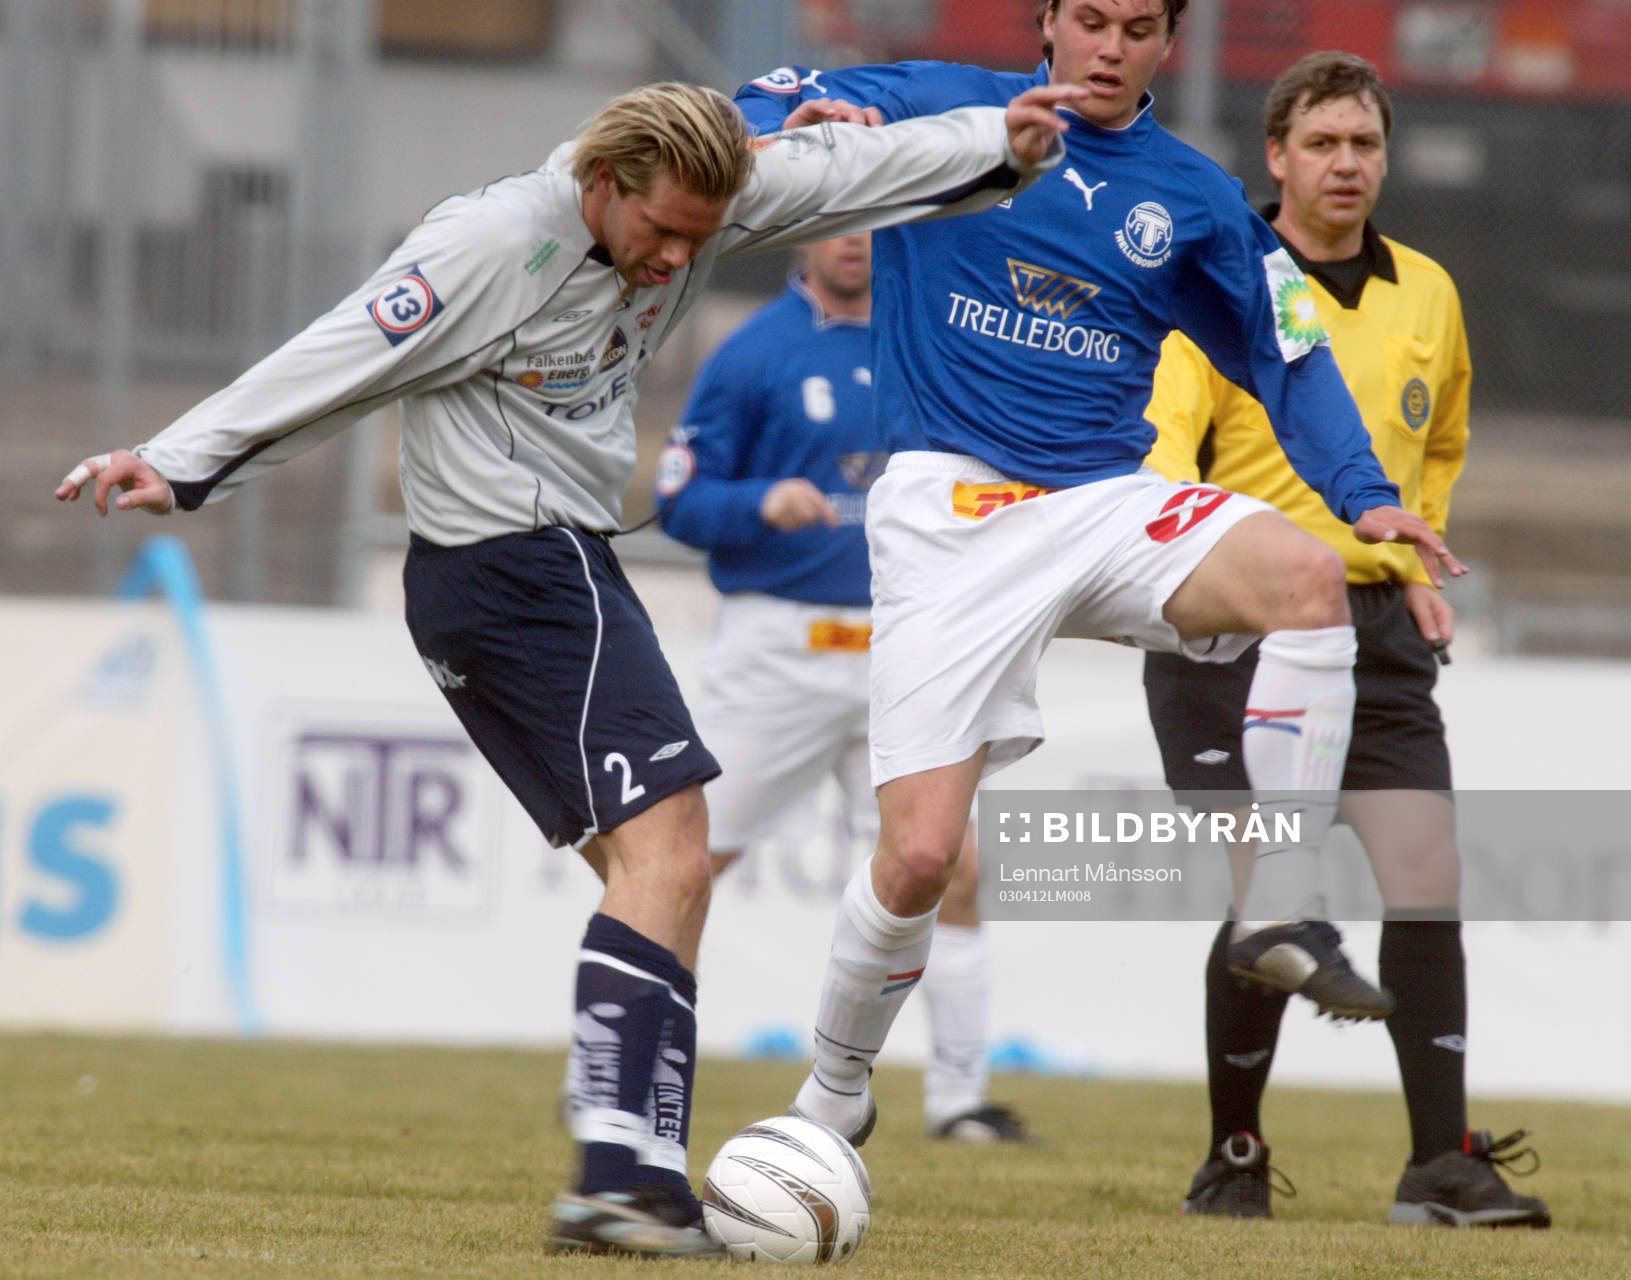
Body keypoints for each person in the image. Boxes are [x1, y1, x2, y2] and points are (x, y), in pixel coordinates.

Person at [53, 78, 1087, 1257]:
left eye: (699, 238)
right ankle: (611, 1172)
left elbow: (844, 179)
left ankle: (645, 1164)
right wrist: (179, 462)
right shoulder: (493, 240)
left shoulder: (697, 201)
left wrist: (1001, 145)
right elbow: (339, 351)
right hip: (518, 569)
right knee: (673, 851)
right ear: (601, 184)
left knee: (666, 870)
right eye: (659, 232)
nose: (675, 261)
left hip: (525, 576)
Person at [734, 0, 1465, 1153]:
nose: (1108, 45)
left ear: (1166, 43)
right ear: (1046, 23)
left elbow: (1286, 346)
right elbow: (764, 98)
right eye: (1087, 18)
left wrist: (1362, 490)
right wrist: (777, 124)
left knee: (1305, 576)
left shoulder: (1190, 194)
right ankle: (832, 1085)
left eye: (1135, 25)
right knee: (919, 854)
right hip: (952, 509)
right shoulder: (946, 103)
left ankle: (1274, 899)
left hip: (1100, 501)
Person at [1140, 51, 1549, 1229]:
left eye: (1361, 144)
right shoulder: (1220, 286)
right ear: (1274, 157)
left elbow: (1439, 444)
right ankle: (1232, 1155)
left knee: (1425, 880)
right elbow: (1164, 458)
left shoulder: (1426, 289)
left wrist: (1419, 563)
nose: (1343, 165)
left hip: (1375, 631)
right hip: (1237, 628)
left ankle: (1440, 1166)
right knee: (1273, 901)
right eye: (1319, 144)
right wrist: (1193, 572)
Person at [655, 231, 1028, 1143]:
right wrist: (756, 502)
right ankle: (627, 1074)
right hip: (777, 648)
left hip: (905, 646)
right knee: (679, 868)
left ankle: (960, 1103)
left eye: (879, 218)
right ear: (810, 226)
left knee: (948, 867)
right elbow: (677, 499)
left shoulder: (933, 338)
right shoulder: (752, 352)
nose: (856, 237)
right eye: (841, 215)